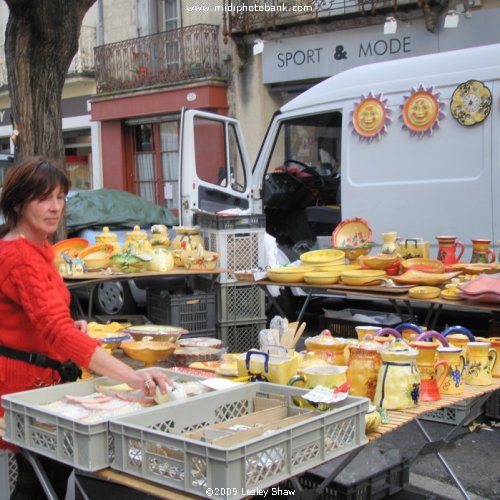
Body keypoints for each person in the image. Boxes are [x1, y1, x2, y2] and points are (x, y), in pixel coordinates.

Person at [0, 157, 171, 498]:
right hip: (22, 389)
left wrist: (68, 324)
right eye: (44, 198)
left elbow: (40, 317)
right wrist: (134, 377)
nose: (55, 208)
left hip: (41, 381)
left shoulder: (37, 246)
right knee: (35, 485)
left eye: (60, 197)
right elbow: (56, 332)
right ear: (18, 203)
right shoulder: (18, 255)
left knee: (52, 478)